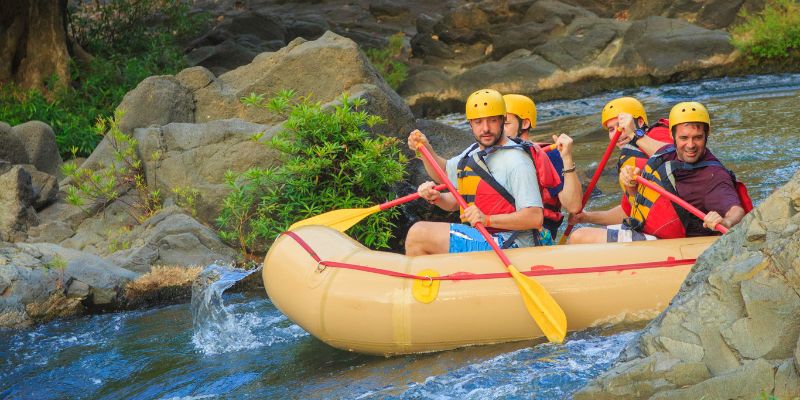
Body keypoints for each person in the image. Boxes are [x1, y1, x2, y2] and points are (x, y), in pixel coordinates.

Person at [569, 101, 749, 243]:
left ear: (707, 136)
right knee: (579, 236)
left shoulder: (712, 175)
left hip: (671, 243)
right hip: (649, 231)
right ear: (673, 137)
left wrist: (725, 222)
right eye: (684, 138)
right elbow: (640, 208)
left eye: (698, 138)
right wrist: (631, 188)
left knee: (580, 237)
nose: (691, 145)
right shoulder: (668, 153)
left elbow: (736, 210)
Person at [404, 89, 544, 255]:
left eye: (492, 121)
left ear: (502, 120)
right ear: (470, 124)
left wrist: (487, 219)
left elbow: (535, 217)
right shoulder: (473, 152)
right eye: (478, 122)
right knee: (420, 233)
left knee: (419, 234)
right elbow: (445, 175)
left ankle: (423, 279)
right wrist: (426, 151)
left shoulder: (517, 161)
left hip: (512, 244)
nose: (485, 129)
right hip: (484, 237)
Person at [567, 97, 674, 242]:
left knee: (579, 237)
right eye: (612, 129)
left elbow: (674, 157)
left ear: (640, 122)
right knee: (587, 232)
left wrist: (634, 134)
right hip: (653, 230)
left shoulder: (657, 135)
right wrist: (586, 217)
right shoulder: (630, 156)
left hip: (669, 235)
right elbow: (627, 211)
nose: (618, 133)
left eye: (622, 125)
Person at [502, 94, 582, 238]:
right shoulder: (491, 156)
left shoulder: (549, 155)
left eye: (506, 124)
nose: (499, 130)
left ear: (525, 123)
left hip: (536, 233)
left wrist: (567, 158)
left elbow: (573, 206)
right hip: (502, 226)